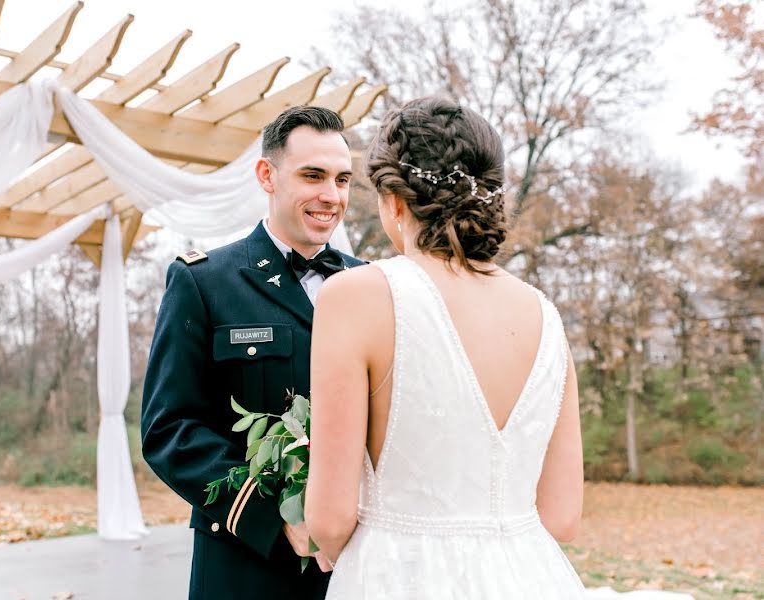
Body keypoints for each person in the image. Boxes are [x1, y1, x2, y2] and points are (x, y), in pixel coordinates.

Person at [304, 96, 588, 598]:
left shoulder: (356, 295)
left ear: (394, 201)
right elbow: (562, 517)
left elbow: (329, 519)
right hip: (532, 577)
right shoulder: (544, 313)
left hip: (399, 576)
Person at [141, 105, 366, 600]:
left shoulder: (374, 284)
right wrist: (277, 517)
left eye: (343, 179)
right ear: (267, 174)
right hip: (246, 563)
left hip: (360, 561)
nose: (331, 196)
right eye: (313, 176)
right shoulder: (203, 282)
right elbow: (169, 429)